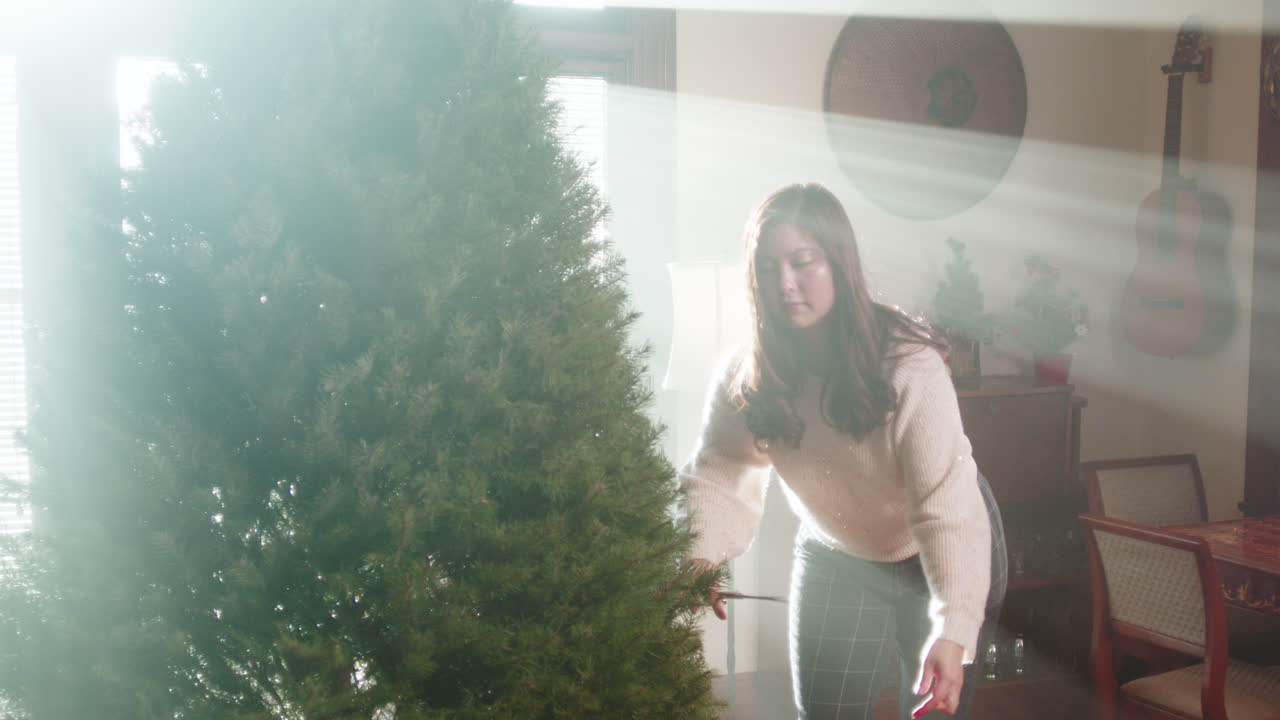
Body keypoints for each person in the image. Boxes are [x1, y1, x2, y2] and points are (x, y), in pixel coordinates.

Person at [680, 183, 1006, 720]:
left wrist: (954, 628)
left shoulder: (907, 366)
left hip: (946, 544)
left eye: (802, 262)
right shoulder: (748, 374)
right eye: (768, 267)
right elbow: (721, 472)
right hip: (839, 551)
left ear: (839, 264)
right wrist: (699, 555)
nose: (785, 283)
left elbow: (945, 508)